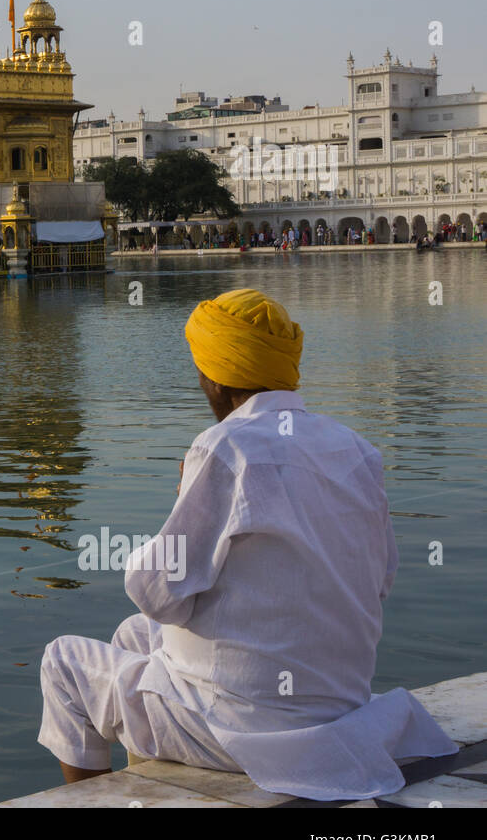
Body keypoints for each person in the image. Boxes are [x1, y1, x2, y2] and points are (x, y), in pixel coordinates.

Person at [37, 288, 456, 800]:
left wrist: (182, 503)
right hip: (342, 710)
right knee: (133, 636)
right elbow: (381, 580)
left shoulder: (225, 447)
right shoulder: (356, 449)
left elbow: (154, 590)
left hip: (250, 729)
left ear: (214, 375)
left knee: (63, 663)